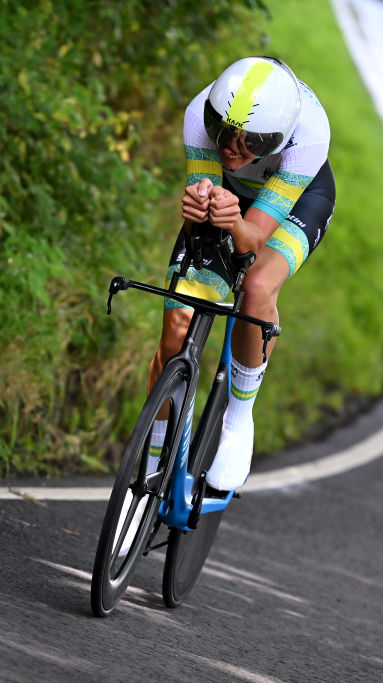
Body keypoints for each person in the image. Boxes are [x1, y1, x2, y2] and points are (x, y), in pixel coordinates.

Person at [148, 55, 335, 492]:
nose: (232, 148)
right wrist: (199, 212)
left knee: (255, 285)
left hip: (296, 203)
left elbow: (254, 240)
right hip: (231, 198)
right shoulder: (199, 116)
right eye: (223, 133)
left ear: (277, 138)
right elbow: (203, 220)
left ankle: (238, 417)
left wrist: (233, 222)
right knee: (175, 332)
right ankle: (151, 458)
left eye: (250, 142)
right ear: (212, 116)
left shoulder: (309, 138)